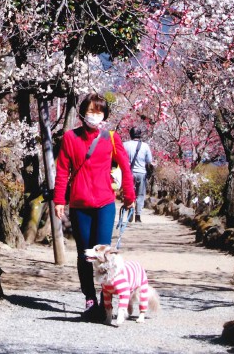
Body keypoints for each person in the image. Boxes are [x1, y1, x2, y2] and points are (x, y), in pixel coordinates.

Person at [54, 92, 135, 321]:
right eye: (91, 111)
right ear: (82, 113)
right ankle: (89, 299)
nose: (94, 116)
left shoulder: (111, 138)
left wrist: (129, 196)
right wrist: (60, 200)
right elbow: (62, 170)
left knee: (103, 254)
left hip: (105, 203)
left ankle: (104, 299)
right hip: (79, 204)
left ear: (105, 115)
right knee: (84, 254)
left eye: (99, 112)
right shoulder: (70, 138)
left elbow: (125, 168)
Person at [123, 127, 155, 223]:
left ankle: (130, 211)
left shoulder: (125, 145)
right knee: (140, 194)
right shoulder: (145, 146)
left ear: (131, 134)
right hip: (141, 173)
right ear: (140, 135)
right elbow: (149, 161)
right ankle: (138, 216)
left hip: (129, 173)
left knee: (129, 193)